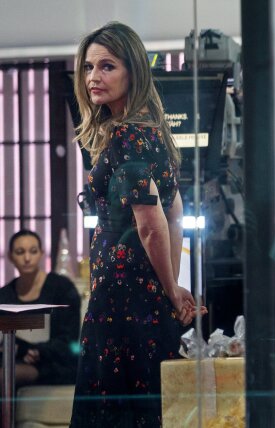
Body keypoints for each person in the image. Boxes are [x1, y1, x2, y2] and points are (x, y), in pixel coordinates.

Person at [69, 21, 206, 427]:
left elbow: (151, 225)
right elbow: (174, 210)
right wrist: (172, 286)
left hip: (122, 295)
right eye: (89, 67)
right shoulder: (153, 130)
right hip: (138, 291)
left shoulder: (128, 135)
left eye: (107, 66)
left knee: (117, 409)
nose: (94, 77)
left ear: (133, 71)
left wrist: (171, 289)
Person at [0, 229, 80, 387]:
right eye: (20, 252)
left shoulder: (62, 288)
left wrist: (38, 351)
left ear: (42, 253)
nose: (27, 258)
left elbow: (69, 340)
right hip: (13, 359)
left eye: (33, 251)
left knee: (5, 375)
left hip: (54, 363)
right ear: (10, 256)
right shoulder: (5, 294)